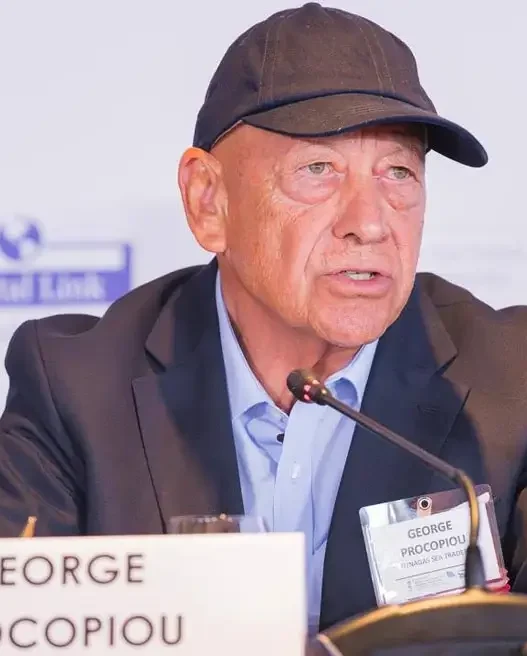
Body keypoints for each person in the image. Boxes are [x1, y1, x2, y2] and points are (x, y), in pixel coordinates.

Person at [0, 1, 526, 634]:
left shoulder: (513, 386)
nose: (370, 222)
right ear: (208, 201)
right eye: (318, 170)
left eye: (399, 172)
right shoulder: (76, 390)